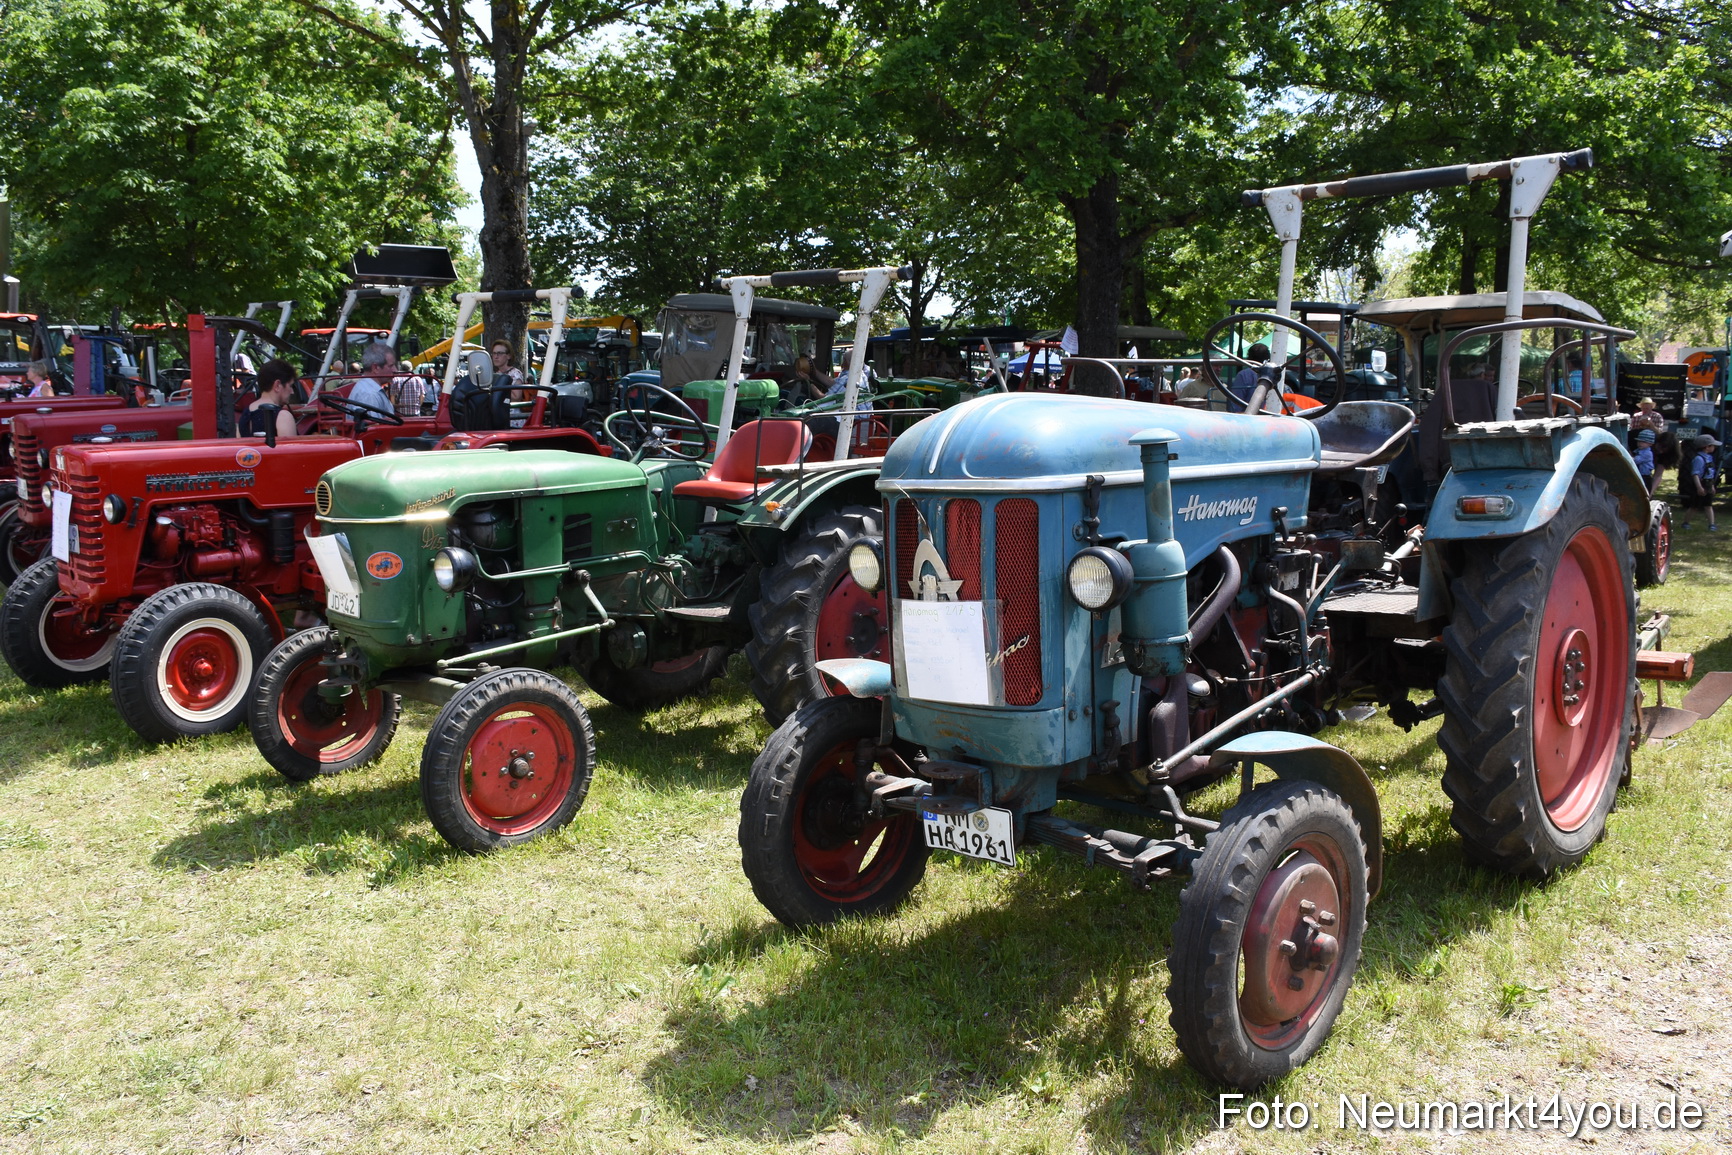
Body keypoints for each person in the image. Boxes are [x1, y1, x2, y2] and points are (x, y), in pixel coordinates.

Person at [243, 359, 301, 441]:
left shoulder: (245, 415)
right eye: (290, 386)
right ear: (277, 385)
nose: (292, 392)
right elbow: (291, 452)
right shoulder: (283, 417)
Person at [1680, 434, 1720, 531]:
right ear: (1707, 447)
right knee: (1694, 506)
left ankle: (1712, 524)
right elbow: (1695, 474)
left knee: (1708, 505)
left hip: (1708, 484)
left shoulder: (1709, 458)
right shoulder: (1698, 459)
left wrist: (1712, 486)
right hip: (1701, 484)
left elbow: (1710, 473)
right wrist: (1699, 487)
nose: (1714, 447)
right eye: (1713, 445)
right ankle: (1686, 522)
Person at [346, 343, 397, 415]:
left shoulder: (369, 389)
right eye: (391, 366)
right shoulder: (370, 395)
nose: (395, 370)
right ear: (375, 368)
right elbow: (374, 425)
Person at [1631, 427, 1657, 495]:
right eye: (1639, 441)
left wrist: (1629, 458)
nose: (1640, 443)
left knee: (1644, 493)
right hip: (1639, 475)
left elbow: (1636, 461)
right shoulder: (1638, 451)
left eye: (1643, 442)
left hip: (1645, 477)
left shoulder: (1647, 453)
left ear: (1650, 444)